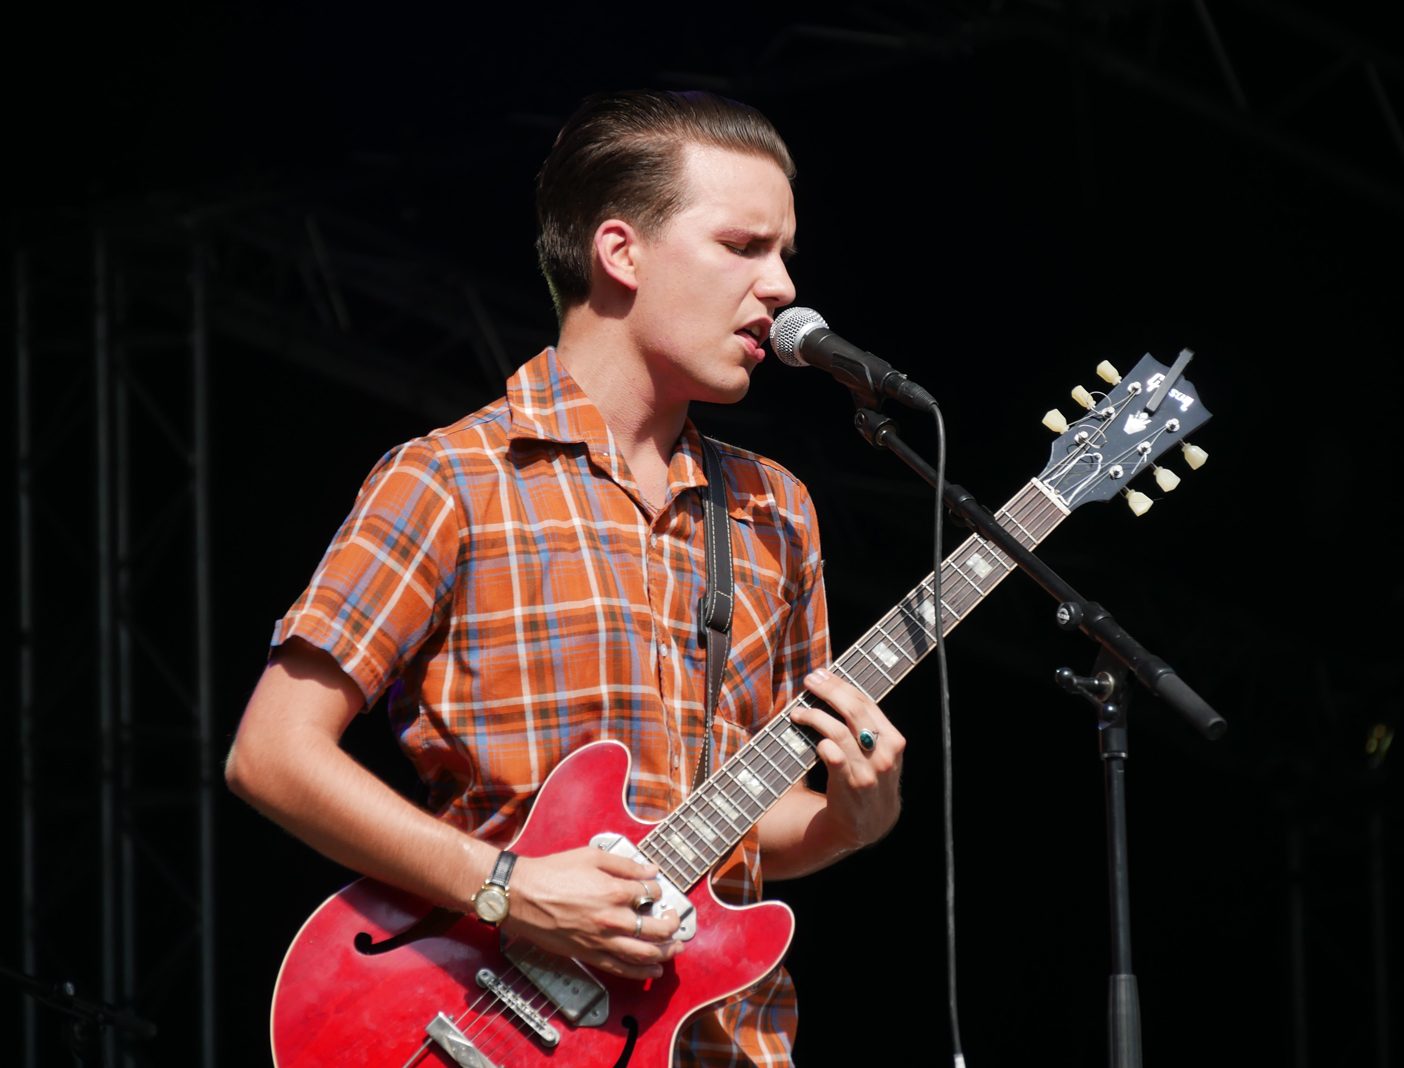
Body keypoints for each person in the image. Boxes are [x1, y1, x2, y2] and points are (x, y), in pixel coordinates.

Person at [225, 89, 906, 1067]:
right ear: (620, 252)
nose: (783, 287)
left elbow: (761, 822)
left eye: (785, 253)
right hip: (482, 1026)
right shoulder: (454, 478)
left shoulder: (776, 508)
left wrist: (847, 820)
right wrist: (508, 887)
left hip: (719, 1042)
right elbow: (272, 755)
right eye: (743, 246)